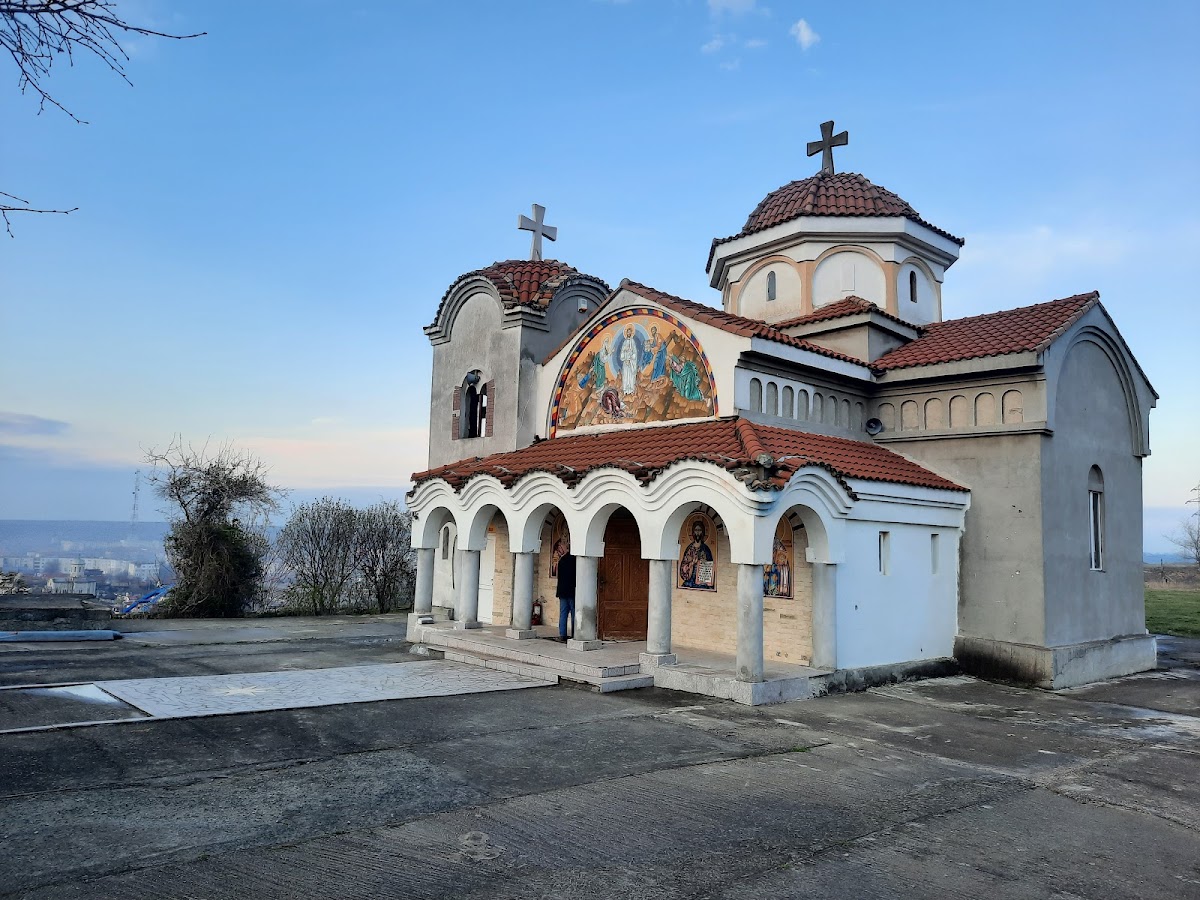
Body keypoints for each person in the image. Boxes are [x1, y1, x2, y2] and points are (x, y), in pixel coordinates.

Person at [555, 553, 577, 642]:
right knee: (574, 613)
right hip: (572, 591)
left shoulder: (562, 560)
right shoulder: (576, 560)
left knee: (563, 613)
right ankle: (575, 634)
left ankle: (562, 634)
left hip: (562, 590)